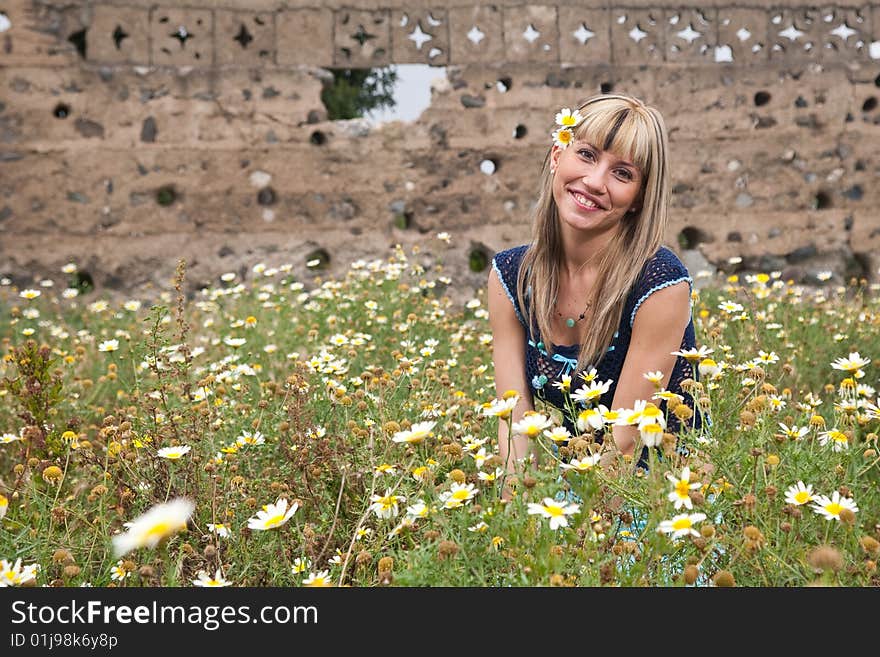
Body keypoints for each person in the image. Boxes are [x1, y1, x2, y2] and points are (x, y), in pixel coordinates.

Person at [487, 93, 703, 485]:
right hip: (573, 485)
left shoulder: (659, 283)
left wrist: (579, 543)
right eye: (586, 154)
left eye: (623, 174)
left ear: (639, 198)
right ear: (557, 156)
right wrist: (515, 519)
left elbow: (624, 443)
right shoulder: (511, 276)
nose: (595, 182)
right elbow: (514, 423)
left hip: (659, 495)